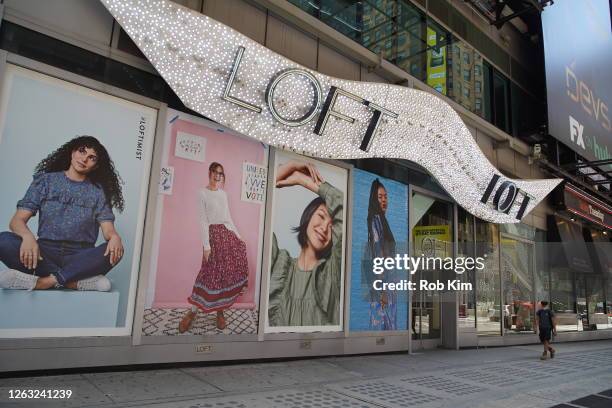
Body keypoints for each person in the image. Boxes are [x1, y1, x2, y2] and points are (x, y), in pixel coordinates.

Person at [0, 136, 124, 291]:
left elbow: (108, 230)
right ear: (72, 152)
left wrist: (115, 237)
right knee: (3, 240)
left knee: (115, 248)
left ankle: (44, 282)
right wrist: (27, 237)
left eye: (91, 158)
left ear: (96, 165)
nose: (84, 159)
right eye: (81, 151)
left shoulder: (98, 192)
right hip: (43, 253)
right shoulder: (46, 181)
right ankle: (72, 281)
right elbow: (16, 221)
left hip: (80, 257)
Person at [268, 160, 343, 327]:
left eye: (332, 226)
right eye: (321, 216)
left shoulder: (333, 271)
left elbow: (343, 204)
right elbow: (255, 202)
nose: (324, 228)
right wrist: (291, 166)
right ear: (308, 217)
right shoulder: (278, 264)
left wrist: (303, 181)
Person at [179, 162, 248, 332]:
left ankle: (220, 312)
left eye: (221, 173)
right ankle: (192, 312)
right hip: (212, 236)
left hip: (226, 234)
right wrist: (206, 246)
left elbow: (228, 218)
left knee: (224, 276)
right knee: (208, 274)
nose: (218, 176)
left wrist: (239, 236)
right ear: (209, 173)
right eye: (216, 172)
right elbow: (202, 220)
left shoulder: (223, 195)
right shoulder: (201, 193)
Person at [363, 178, 397, 330]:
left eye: (386, 197)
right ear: (374, 200)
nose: (384, 201)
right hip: (383, 286)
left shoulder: (380, 221)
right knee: (384, 323)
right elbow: (379, 256)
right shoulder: (376, 221)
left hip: (385, 285)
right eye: (380, 197)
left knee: (383, 324)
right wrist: (383, 290)